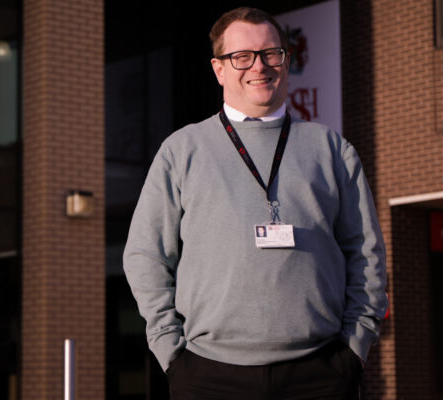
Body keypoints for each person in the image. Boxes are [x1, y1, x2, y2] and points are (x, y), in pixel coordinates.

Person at [123, 7, 387, 399]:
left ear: (286, 59)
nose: (259, 66)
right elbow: (146, 254)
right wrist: (171, 352)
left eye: (270, 53)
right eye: (241, 56)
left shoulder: (330, 149)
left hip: (322, 372)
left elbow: (366, 253)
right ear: (219, 69)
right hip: (207, 375)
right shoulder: (182, 150)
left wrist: (355, 348)